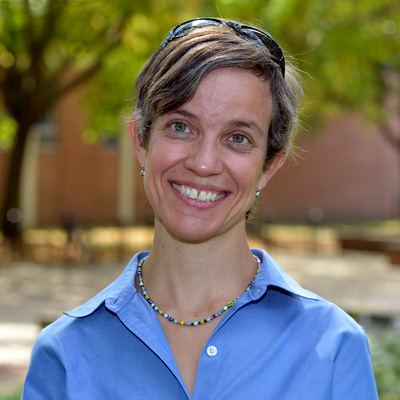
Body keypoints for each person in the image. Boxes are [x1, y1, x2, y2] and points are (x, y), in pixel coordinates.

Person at [22, 18, 378, 399]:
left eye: (238, 138)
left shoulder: (334, 348)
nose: (204, 163)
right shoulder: (64, 355)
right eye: (180, 127)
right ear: (141, 140)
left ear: (268, 167)